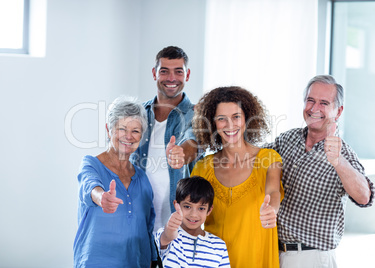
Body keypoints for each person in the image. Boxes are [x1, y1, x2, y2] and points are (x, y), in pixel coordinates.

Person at [267, 75, 375, 268]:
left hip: (311, 258)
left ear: (338, 111)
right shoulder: (288, 139)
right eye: (310, 100)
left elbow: (364, 197)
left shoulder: (345, 154)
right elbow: (254, 157)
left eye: (324, 103)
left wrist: (338, 161)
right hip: (274, 253)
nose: (314, 108)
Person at [191, 86, 282, 268]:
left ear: (247, 119)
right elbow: (189, 218)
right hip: (213, 263)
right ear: (213, 123)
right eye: (221, 119)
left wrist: (271, 210)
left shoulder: (268, 158)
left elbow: (273, 190)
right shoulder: (202, 167)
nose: (230, 125)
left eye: (236, 117)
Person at [74, 96, 157, 267]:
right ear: (108, 129)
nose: (129, 136)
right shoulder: (91, 164)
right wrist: (101, 197)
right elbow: (90, 186)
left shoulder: (142, 178)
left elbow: (147, 229)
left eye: (136, 131)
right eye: (122, 129)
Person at [131, 46, 198, 238]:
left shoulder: (196, 114)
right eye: (164, 71)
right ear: (154, 73)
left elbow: (194, 141)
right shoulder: (137, 114)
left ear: (187, 74)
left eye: (178, 71)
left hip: (178, 226)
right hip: (138, 220)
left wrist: (181, 153)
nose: (171, 78)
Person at [154, 176, 230, 267]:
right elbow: (165, 239)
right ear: (176, 204)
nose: (193, 214)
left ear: (209, 210)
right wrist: (169, 232)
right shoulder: (165, 234)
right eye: (187, 206)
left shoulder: (219, 246)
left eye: (201, 208)